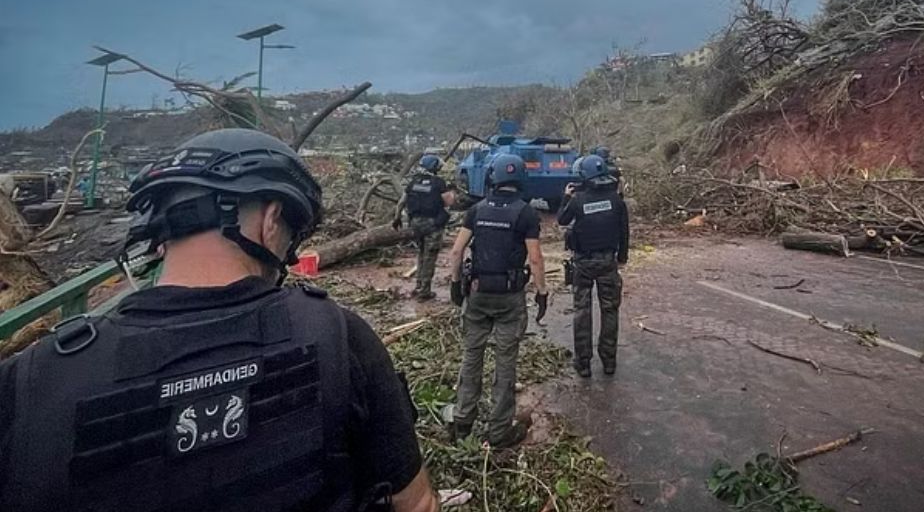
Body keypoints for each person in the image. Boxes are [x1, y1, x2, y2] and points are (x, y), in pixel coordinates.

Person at [0, 129, 438, 512]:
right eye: (291, 236)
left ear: (158, 235)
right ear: (271, 222)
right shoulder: (339, 338)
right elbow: (416, 503)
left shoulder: (33, 378)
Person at [446, 154, 548, 448]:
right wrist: (542, 292)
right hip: (509, 299)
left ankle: (463, 423)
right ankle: (499, 430)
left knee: (471, 356)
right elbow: (536, 259)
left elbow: (456, 252)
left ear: (493, 178)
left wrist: (455, 284)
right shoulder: (526, 213)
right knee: (506, 362)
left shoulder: (477, 210)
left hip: (477, 295)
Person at [557, 154, 629, 378]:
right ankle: (609, 361)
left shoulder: (578, 200)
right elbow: (624, 232)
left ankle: (584, 363)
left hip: (583, 263)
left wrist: (565, 198)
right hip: (608, 261)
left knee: (582, 311)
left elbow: (561, 219)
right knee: (610, 310)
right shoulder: (616, 200)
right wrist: (622, 258)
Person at [401, 154, 455, 301]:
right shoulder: (438, 183)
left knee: (421, 254)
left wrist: (396, 218)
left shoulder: (413, 182)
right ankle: (425, 291)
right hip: (433, 225)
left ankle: (418, 286)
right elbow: (449, 202)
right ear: (435, 167)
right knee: (430, 256)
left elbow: (401, 203)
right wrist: (451, 191)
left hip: (416, 225)